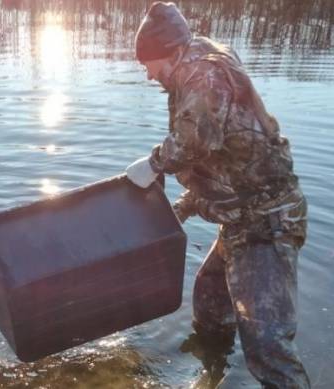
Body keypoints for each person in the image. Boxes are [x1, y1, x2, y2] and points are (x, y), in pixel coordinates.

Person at [125, 3, 310, 388]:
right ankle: (216, 374)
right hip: (240, 216)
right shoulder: (197, 61)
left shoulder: (204, 74)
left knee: (267, 345)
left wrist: (154, 164)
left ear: (173, 51)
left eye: (150, 63)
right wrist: (184, 206)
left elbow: (195, 139)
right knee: (210, 302)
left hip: (267, 223)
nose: (148, 74)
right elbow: (223, 156)